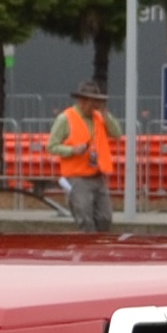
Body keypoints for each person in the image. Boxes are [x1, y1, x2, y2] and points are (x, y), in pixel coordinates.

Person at [47, 79, 117, 234]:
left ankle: (99, 244)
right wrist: (72, 150)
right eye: (93, 101)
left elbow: (117, 133)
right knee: (85, 220)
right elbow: (51, 146)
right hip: (77, 178)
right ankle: (88, 246)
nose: (96, 105)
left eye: (98, 101)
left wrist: (106, 115)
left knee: (105, 218)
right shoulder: (65, 118)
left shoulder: (99, 117)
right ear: (82, 101)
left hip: (98, 175)